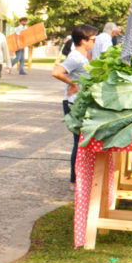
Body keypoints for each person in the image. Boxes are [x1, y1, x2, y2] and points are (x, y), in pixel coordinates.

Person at [52, 24, 98, 184]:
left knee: (81, 142)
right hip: (73, 104)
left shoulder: (83, 56)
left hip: (80, 103)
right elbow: (56, 72)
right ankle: (75, 180)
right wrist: (72, 84)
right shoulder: (75, 57)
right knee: (78, 142)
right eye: (93, 39)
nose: (95, 41)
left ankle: (79, 178)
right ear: (84, 40)